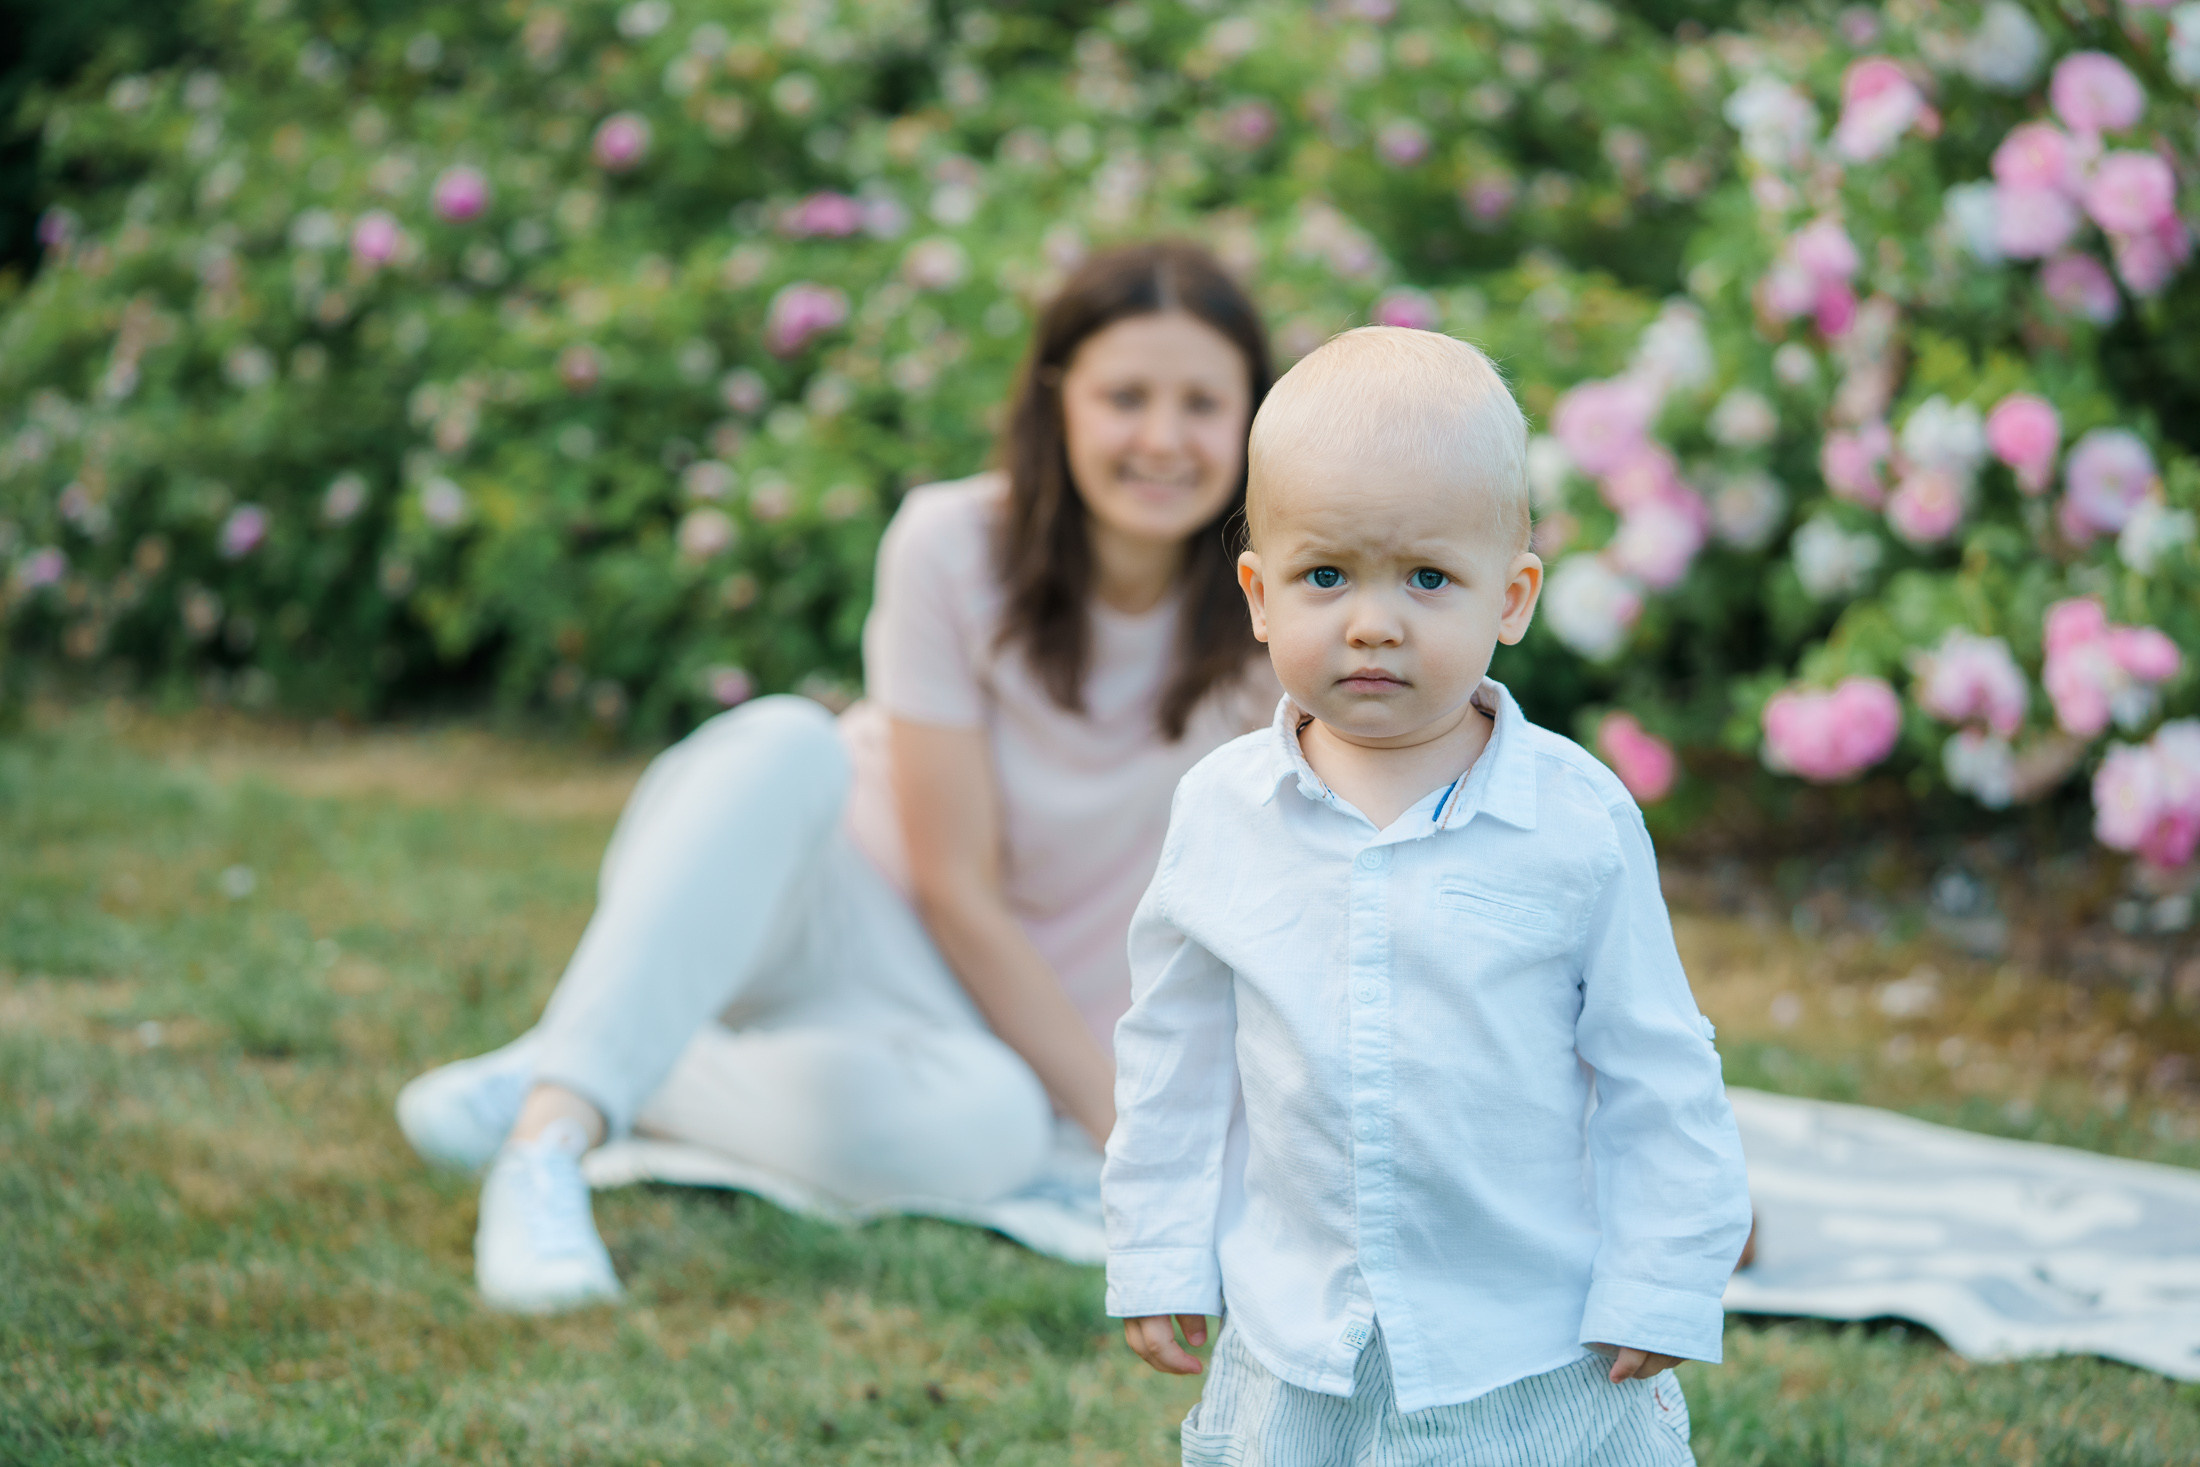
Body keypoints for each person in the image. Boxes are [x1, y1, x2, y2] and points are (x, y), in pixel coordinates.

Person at [395, 241, 1279, 1314]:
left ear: (1252, 421)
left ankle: (604, 1044)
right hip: (818, 912)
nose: (1161, 439)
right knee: (782, 743)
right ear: (1058, 403)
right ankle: (545, 1145)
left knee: (989, 1130)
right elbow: (954, 884)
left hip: (959, 1035)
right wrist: (1130, 1140)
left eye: (1201, 404)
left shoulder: (1268, 623)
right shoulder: (951, 544)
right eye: (1125, 397)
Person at [1103, 327, 1752, 1464]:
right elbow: (1174, 1051)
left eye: (1427, 578)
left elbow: (1657, 1061)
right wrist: (1157, 1250)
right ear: (1256, 594)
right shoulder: (1222, 813)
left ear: (1512, 596)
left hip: (1527, 1344)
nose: (1372, 620)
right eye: (1325, 576)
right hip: (1298, 1338)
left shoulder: (1575, 823)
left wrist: (1661, 1274)